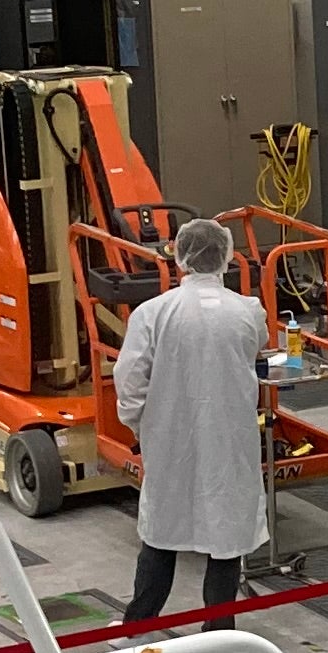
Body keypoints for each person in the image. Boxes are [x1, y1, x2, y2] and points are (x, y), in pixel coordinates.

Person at [113, 215, 271, 621]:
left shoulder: (152, 313)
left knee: (162, 530)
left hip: (169, 439)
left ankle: (139, 624)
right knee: (226, 536)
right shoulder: (248, 310)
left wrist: (140, 425)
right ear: (225, 257)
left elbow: (129, 379)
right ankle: (218, 634)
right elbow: (260, 346)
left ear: (179, 257)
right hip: (231, 439)